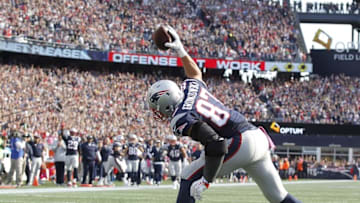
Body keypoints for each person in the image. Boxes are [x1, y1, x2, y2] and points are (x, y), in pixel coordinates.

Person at [146, 25, 302, 203]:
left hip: (239, 141)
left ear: (165, 103)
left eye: (156, 107)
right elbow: (195, 73)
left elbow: (216, 143)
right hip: (257, 136)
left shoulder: (181, 118)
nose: (157, 112)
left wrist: (206, 181)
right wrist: (181, 50)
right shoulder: (191, 88)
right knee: (278, 196)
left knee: (188, 177)